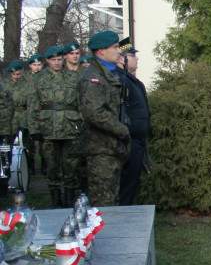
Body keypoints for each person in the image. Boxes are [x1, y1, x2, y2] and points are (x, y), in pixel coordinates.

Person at [78, 31, 130, 207]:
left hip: (111, 147)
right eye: (115, 47)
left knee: (112, 199)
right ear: (101, 51)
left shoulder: (109, 74)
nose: (119, 51)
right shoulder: (93, 77)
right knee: (103, 203)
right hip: (99, 148)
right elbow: (94, 113)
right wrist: (122, 129)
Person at [30, 45, 83, 208]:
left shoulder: (73, 78)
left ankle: (68, 198)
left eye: (59, 59)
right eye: (53, 60)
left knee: (71, 164)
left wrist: (81, 123)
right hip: (48, 127)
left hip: (69, 126)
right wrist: (34, 129)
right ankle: (55, 198)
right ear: (47, 61)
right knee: (52, 165)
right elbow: (33, 105)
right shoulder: (39, 79)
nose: (57, 63)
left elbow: (80, 103)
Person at [117, 37, 151, 205]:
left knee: (132, 183)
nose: (136, 58)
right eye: (131, 55)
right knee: (125, 184)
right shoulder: (119, 80)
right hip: (128, 140)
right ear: (122, 58)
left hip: (137, 139)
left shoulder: (132, 81)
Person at [7, 58, 37, 178]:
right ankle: (9, 168)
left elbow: (32, 102)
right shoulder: (5, 85)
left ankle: (29, 168)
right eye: (14, 74)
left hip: (25, 115)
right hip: (11, 117)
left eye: (18, 74)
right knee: (8, 144)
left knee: (28, 144)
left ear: (23, 71)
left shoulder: (29, 84)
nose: (16, 76)